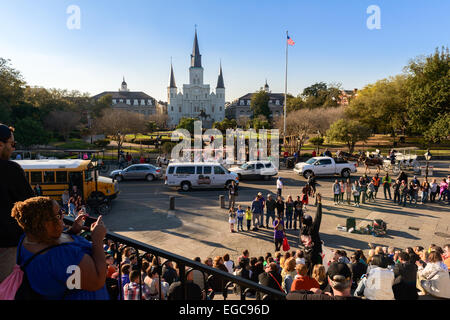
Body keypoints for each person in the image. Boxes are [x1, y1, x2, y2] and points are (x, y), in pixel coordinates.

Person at [11, 196, 109, 299]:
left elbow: (54, 244)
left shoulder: (28, 238)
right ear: (46, 223)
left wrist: (73, 232)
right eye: (59, 215)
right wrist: (97, 239)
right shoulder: (62, 256)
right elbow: (97, 280)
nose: (63, 216)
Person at [0, 124, 35, 283]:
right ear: (1, 144)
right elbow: (30, 204)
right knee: (7, 289)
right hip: (7, 245)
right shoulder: (10, 170)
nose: (13, 149)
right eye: (12, 144)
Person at [286, 262, 360, 300]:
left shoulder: (321, 298)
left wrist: (314, 292)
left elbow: (290, 296)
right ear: (351, 281)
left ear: (329, 281)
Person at [299, 193, 323, 274]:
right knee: (315, 272)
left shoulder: (302, 230)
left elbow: (301, 242)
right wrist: (319, 202)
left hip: (306, 253)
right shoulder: (313, 229)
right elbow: (318, 216)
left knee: (307, 272)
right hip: (314, 254)